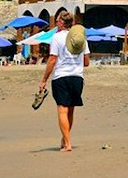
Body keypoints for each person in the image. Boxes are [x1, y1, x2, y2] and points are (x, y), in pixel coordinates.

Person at [38, 11, 90, 152]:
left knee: (62, 111)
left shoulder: (56, 38)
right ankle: (65, 139)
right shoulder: (80, 38)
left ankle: (68, 144)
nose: (56, 24)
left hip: (61, 77)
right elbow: (86, 62)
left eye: (57, 21)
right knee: (70, 112)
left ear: (61, 23)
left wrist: (44, 80)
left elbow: (52, 59)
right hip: (77, 78)